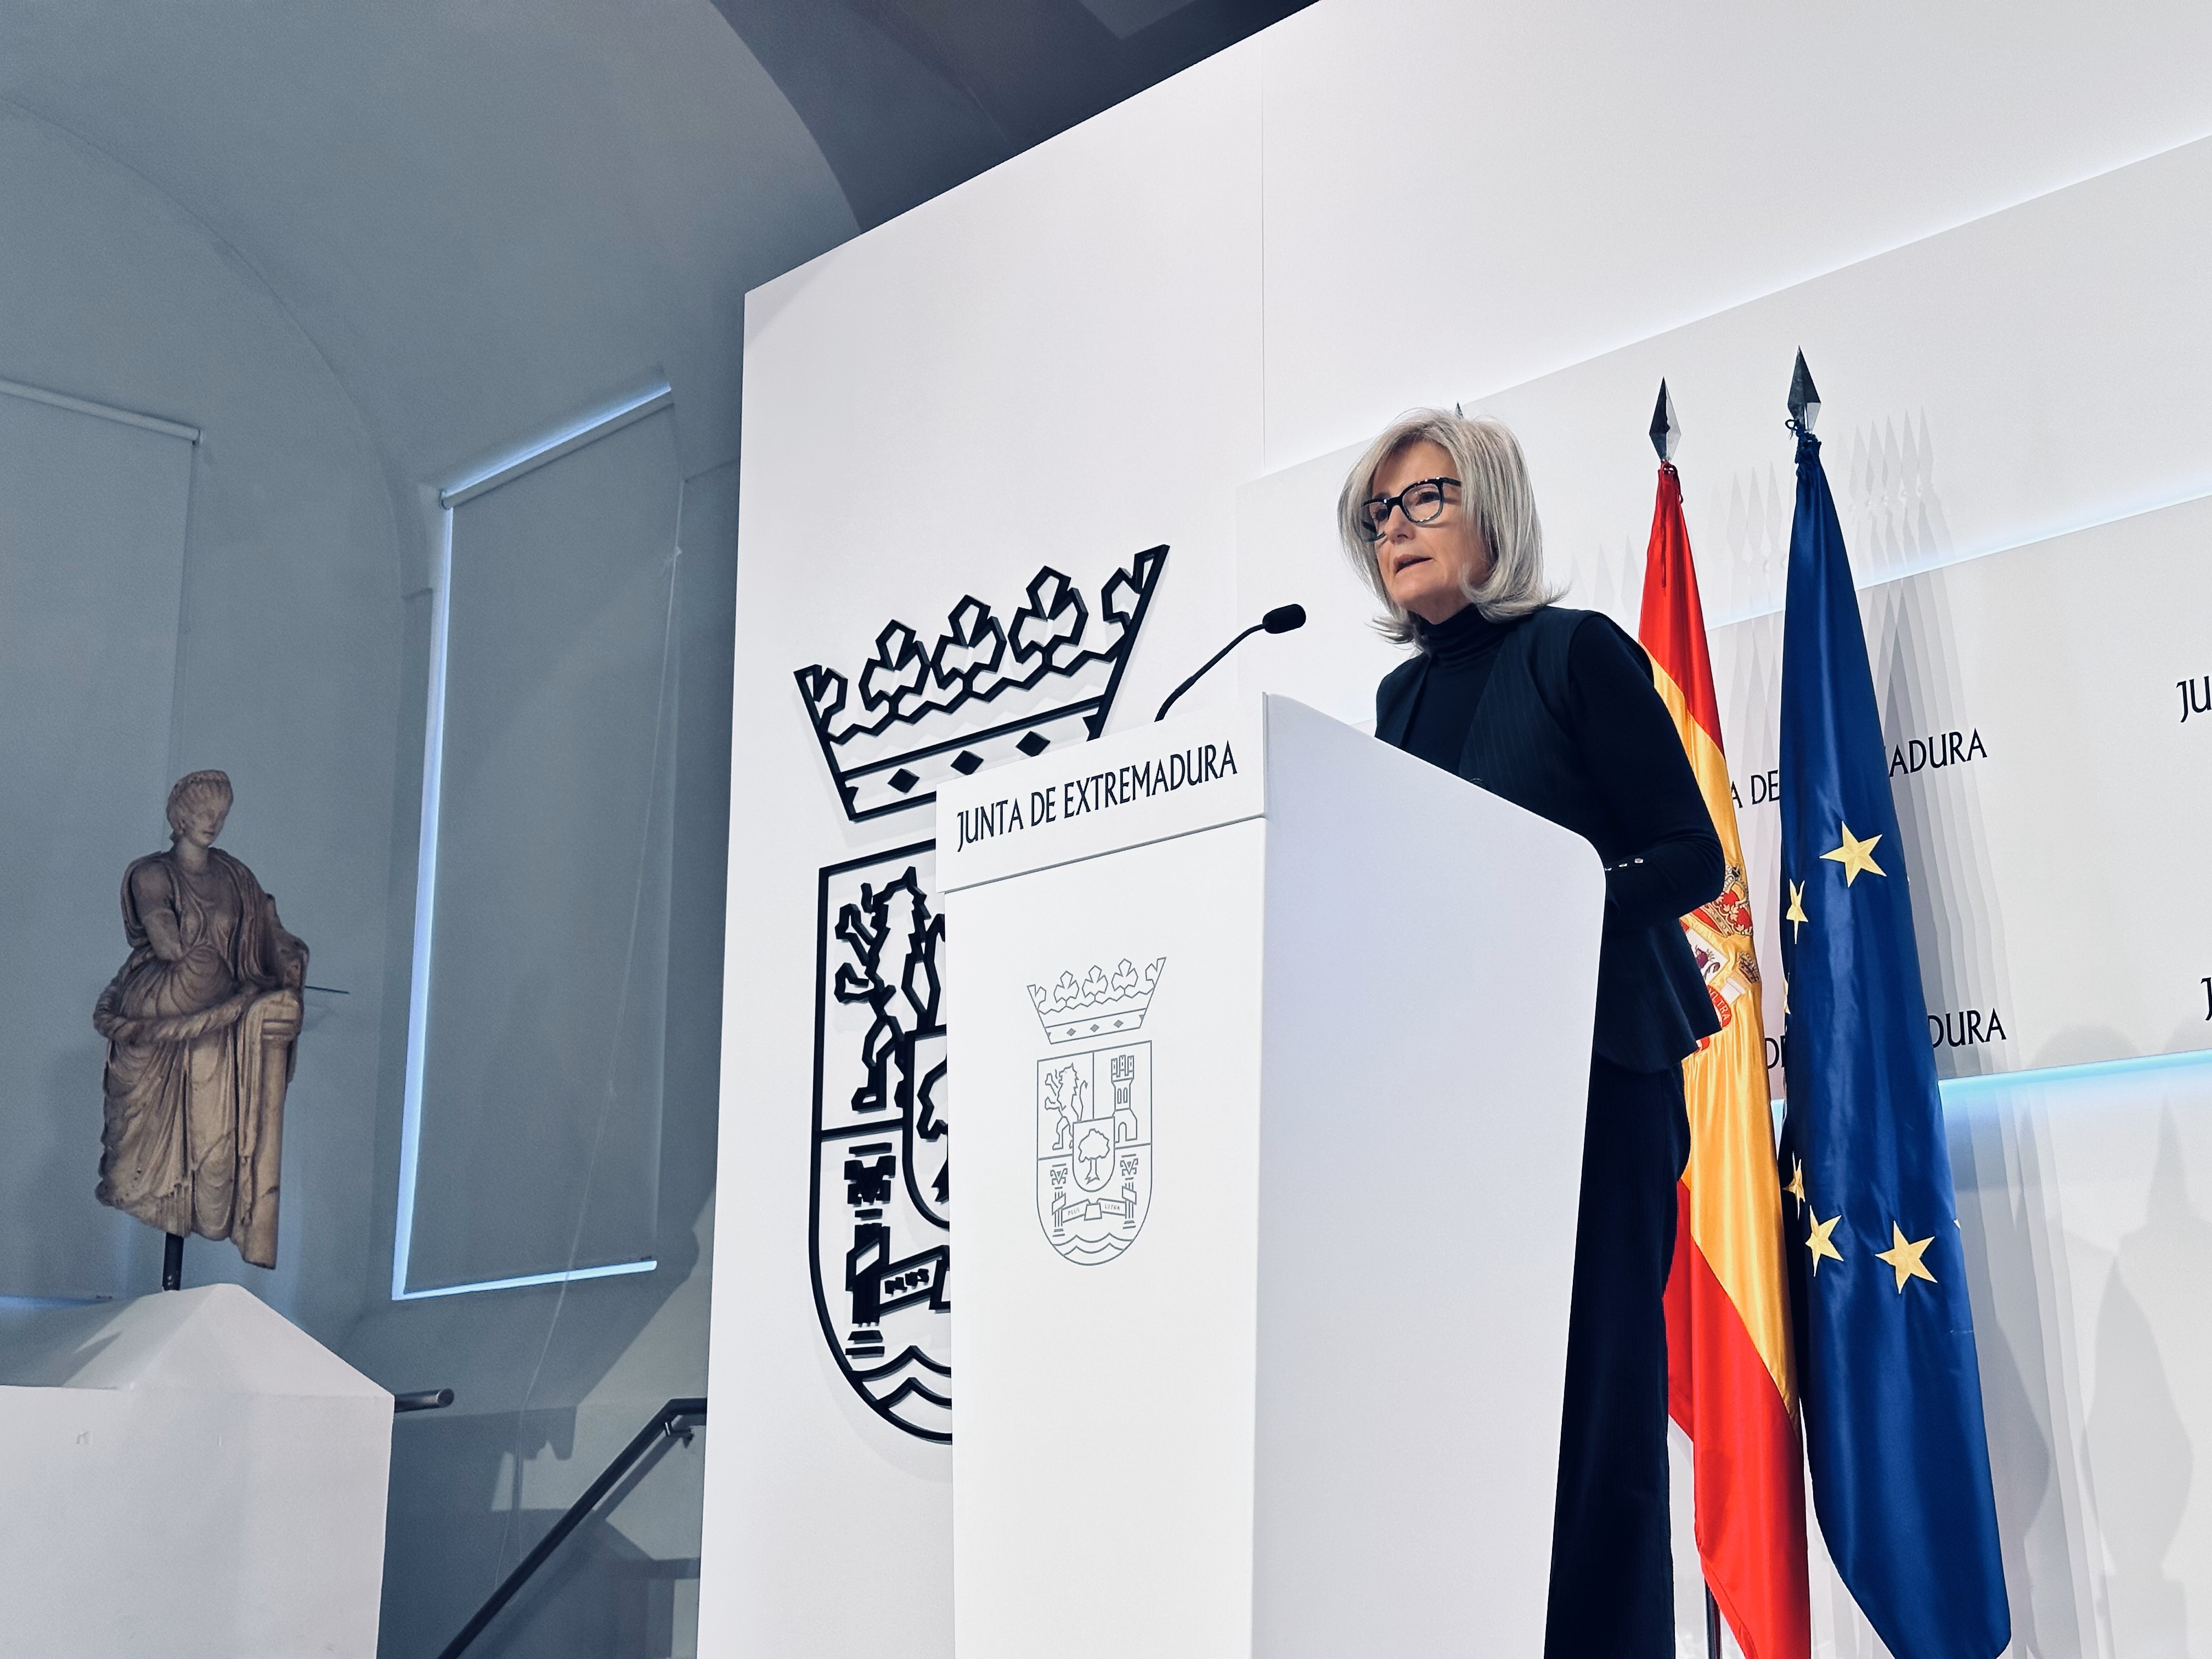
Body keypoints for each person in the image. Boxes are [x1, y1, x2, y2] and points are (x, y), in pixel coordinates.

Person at [1339, 410, 1724, 1658]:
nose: (1397, 529)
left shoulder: (1575, 655)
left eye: (1424, 500)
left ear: (1491, 509)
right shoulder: (1400, 699)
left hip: (1599, 1084)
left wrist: (1543, 912)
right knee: (1485, 1430)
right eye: (1378, 514)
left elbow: (1689, 852)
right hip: (1461, 1110)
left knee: (1598, 1423)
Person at [94, 770, 308, 1274]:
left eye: (221, 815)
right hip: (161, 1017)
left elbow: (271, 932)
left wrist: (288, 962)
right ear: (180, 816)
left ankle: (198, 1213)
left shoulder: (236, 878)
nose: (213, 824)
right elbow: (167, 945)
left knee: (213, 1146)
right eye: (204, 814)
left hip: (220, 1028)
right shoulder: (152, 874)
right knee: (136, 1159)